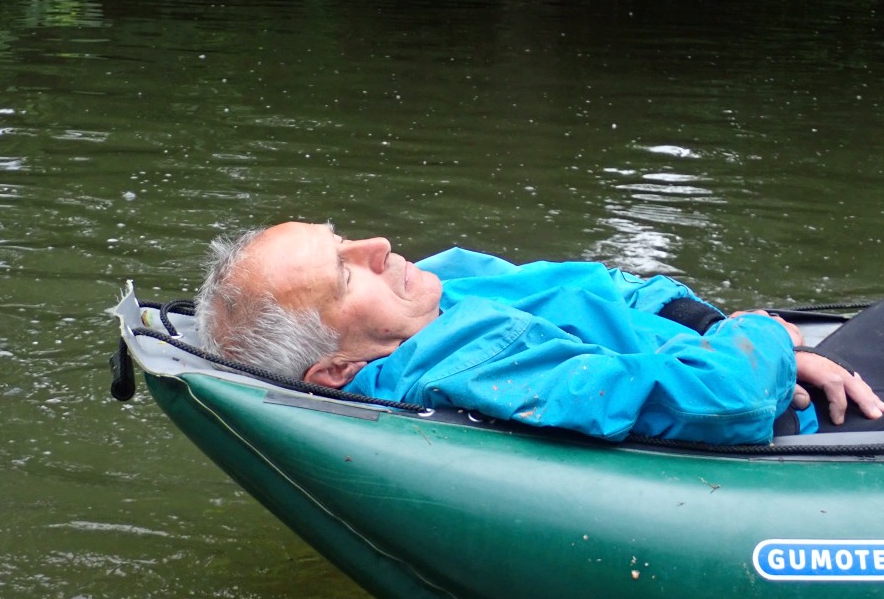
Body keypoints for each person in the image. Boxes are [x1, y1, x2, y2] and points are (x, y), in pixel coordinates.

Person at [195, 221, 884, 445]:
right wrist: (768, 342)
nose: (377, 246)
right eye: (345, 276)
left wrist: (718, 326)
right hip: (806, 420)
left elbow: (609, 285)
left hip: (749, 358)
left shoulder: (441, 281)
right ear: (337, 370)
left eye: (343, 239)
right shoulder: (472, 363)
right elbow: (724, 399)